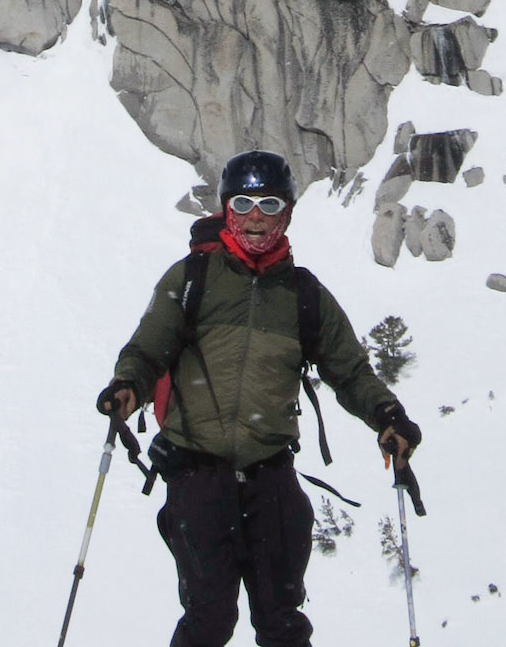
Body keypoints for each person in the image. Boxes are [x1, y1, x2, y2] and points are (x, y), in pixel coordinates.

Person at [96, 149, 422, 647]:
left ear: (286, 212)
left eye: (269, 205)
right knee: (208, 619)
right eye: (243, 204)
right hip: (197, 474)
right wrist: (127, 387)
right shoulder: (192, 279)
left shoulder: (304, 295)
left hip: (270, 477)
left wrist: (387, 414)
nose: (255, 217)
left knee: (282, 623)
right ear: (226, 209)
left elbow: (350, 370)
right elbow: (147, 349)